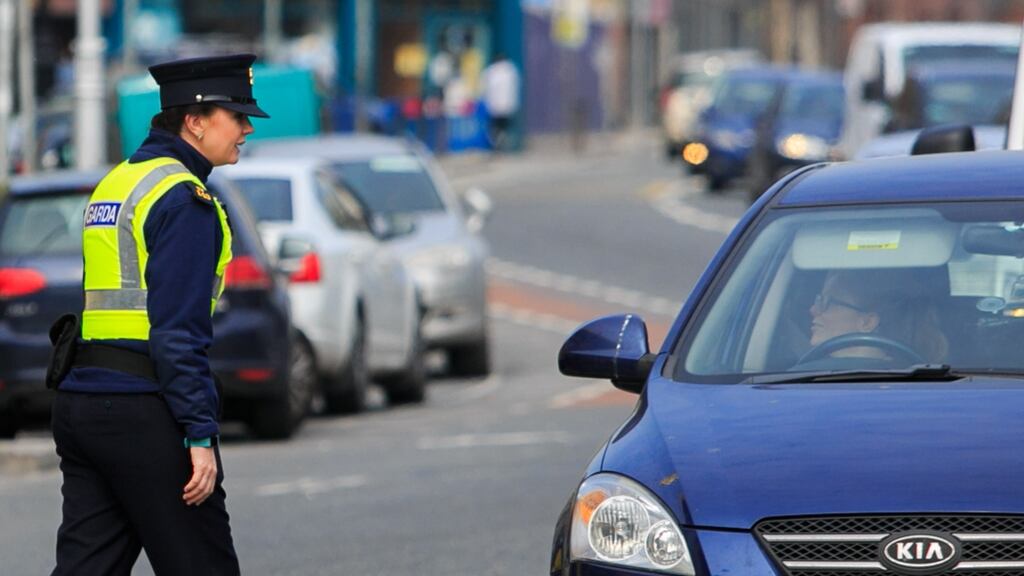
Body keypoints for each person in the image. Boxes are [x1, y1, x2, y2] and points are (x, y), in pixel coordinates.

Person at [50, 54, 269, 576]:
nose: (245, 129)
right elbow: (177, 333)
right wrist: (198, 434)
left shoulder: (117, 182)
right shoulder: (184, 200)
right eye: (235, 116)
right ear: (194, 121)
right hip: (146, 413)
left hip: (82, 403)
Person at [807, 269, 948, 364]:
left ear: (867, 322)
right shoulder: (801, 373)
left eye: (827, 302)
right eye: (819, 300)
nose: (813, 310)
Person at [481, 52, 520, 151]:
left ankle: (499, 143)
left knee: (496, 127)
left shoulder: (491, 71)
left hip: (494, 106)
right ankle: (501, 142)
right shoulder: (512, 71)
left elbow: (485, 88)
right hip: (507, 105)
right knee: (503, 127)